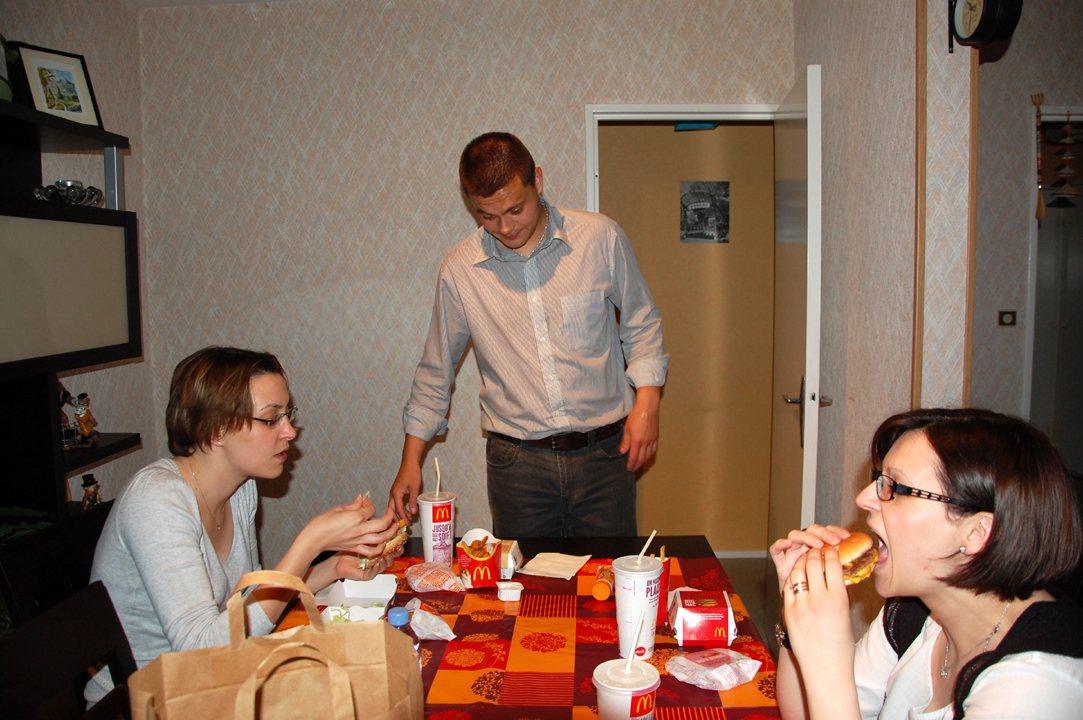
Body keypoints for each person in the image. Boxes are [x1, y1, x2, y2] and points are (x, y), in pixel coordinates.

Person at [388, 132, 668, 537]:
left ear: (537, 179)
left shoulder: (600, 238)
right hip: (517, 468)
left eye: (515, 209)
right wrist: (410, 461)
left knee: (607, 577)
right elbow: (436, 370)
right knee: (520, 579)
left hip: (605, 457)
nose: (505, 227)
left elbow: (642, 324)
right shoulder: (460, 270)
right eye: (487, 216)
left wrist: (648, 402)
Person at [86, 347, 403, 703]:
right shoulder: (156, 501)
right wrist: (310, 542)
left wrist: (332, 567)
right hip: (148, 703)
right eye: (271, 419)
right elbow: (204, 653)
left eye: (288, 415)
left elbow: (246, 611)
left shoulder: (240, 489)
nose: (289, 432)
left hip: (215, 690)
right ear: (216, 430)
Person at [770, 408, 1083, 719]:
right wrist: (796, 608)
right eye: (879, 480)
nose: (863, 498)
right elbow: (806, 714)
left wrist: (828, 664)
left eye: (894, 486)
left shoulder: (1036, 686)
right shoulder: (915, 609)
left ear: (976, 532)